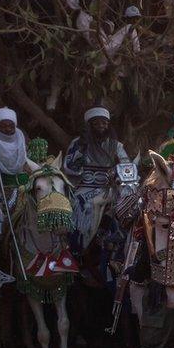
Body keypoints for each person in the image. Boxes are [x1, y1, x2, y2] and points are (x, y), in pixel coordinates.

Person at [62, 106, 130, 253]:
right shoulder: (78, 143)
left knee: (128, 205)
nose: (101, 126)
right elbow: (69, 166)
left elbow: (127, 168)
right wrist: (81, 148)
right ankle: (77, 246)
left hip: (109, 188)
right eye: (97, 123)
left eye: (104, 123)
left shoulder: (116, 145)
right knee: (80, 204)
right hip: (84, 186)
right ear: (89, 125)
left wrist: (117, 177)